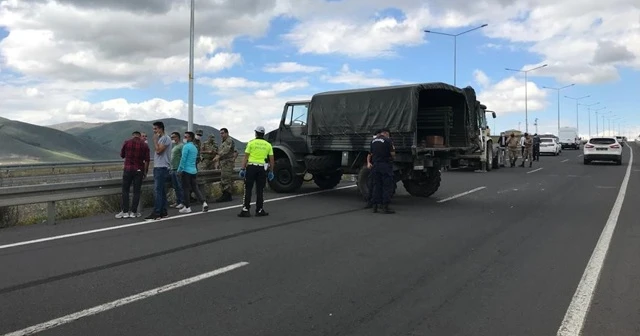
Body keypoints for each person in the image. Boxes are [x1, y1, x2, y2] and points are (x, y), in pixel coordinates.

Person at [238, 126, 275, 217]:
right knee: (260, 190)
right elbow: (272, 160)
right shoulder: (268, 145)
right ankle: (259, 209)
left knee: (248, 189)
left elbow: (246, 157)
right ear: (263, 134)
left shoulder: (251, 143)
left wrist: (242, 169)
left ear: (256, 133)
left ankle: (246, 209)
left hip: (251, 167)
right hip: (262, 169)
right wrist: (271, 171)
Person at [116, 131, 150, 219]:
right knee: (136, 191)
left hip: (128, 169)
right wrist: (145, 172)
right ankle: (134, 212)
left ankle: (125, 211)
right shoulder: (145, 145)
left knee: (125, 190)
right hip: (139, 170)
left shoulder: (127, 142)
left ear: (133, 135)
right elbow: (147, 160)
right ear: (139, 136)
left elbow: (122, 155)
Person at [145, 121, 172, 220]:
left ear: (160, 128)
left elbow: (159, 151)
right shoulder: (162, 138)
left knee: (158, 191)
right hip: (159, 167)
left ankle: (156, 213)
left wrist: (155, 141)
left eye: (155, 129)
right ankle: (163, 211)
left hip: (161, 167)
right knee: (161, 191)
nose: (154, 131)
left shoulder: (165, 138)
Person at [177, 131, 209, 213]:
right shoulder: (194, 147)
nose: (184, 138)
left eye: (186, 137)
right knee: (195, 188)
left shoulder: (186, 147)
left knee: (186, 189)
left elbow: (183, 159)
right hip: (193, 171)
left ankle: (187, 207)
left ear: (190, 138)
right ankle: (204, 203)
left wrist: (179, 169)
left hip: (186, 171)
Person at [369, 128, 395, 214]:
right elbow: (392, 154)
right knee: (387, 186)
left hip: (375, 165)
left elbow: (371, 153)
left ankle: (375, 206)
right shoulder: (388, 141)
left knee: (377, 185)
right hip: (385, 165)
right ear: (386, 133)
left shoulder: (373, 141)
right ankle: (385, 207)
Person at [213, 127, 236, 202]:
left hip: (227, 163)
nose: (221, 135)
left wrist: (218, 156)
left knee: (225, 179)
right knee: (224, 178)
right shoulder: (224, 141)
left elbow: (226, 150)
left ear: (227, 133)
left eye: (222, 133)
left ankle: (226, 195)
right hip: (224, 163)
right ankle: (227, 195)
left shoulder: (229, 140)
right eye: (220, 133)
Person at [364, 129, 381, 209]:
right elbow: (370, 154)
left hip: (377, 165)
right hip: (377, 165)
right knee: (374, 184)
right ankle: (374, 203)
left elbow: (369, 154)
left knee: (373, 184)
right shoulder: (375, 142)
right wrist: (368, 162)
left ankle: (372, 203)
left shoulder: (374, 142)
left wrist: (368, 163)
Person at [168, 131, 185, 209]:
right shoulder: (174, 146)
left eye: (173, 137)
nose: (172, 139)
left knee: (180, 186)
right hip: (173, 169)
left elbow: (183, 157)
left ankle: (182, 202)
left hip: (178, 169)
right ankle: (178, 201)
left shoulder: (181, 146)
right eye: (171, 137)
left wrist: (181, 168)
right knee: (175, 187)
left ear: (178, 137)